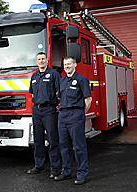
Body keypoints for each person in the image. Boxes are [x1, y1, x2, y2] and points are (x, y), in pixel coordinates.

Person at [54, 57, 92, 185]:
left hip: (76, 115)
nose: (67, 66)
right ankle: (66, 171)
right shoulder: (62, 80)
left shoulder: (81, 80)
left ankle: (82, 173)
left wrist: (81, 114)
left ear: (75, 65)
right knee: (64, 146)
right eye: (65, 64)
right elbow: (59, 98)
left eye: (69, 64)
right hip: (63, 116)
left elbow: (88, 100)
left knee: (78, 146)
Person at [27, 52, 61, 178]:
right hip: (37, 111)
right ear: (37, 62)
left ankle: (55, 168)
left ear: (47, 60)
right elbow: (32, 94)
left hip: (49, 110)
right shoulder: (34, 76)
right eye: (39, 59)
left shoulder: (54, 74)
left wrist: (57, 105)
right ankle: (39, 165)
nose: (41, 61)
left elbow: (59, 91)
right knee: (38, 139)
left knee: (53, 139)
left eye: (43, 59)